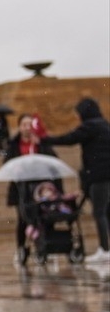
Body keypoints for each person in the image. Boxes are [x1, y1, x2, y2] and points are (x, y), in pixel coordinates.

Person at [43, 97, 110, 262]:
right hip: (105, 175)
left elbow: (69, 139)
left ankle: (105, 249)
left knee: (99, 213)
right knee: (107, 212)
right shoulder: (104, 125)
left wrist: (45, 139)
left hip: (99, 176)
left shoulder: (91, 126)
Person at [5, 114, 56, 265]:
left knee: (42, 218)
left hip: (39, 187)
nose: (27, 128)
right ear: (19, 127)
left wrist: (41, 147)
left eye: (29, 125)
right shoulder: (14, 144)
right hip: (21, 188)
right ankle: (22, 248)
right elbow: (8, 163)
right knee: (23, 219)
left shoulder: (41, 143)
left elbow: (52, 159)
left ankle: (44, 247)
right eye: (24, 125)